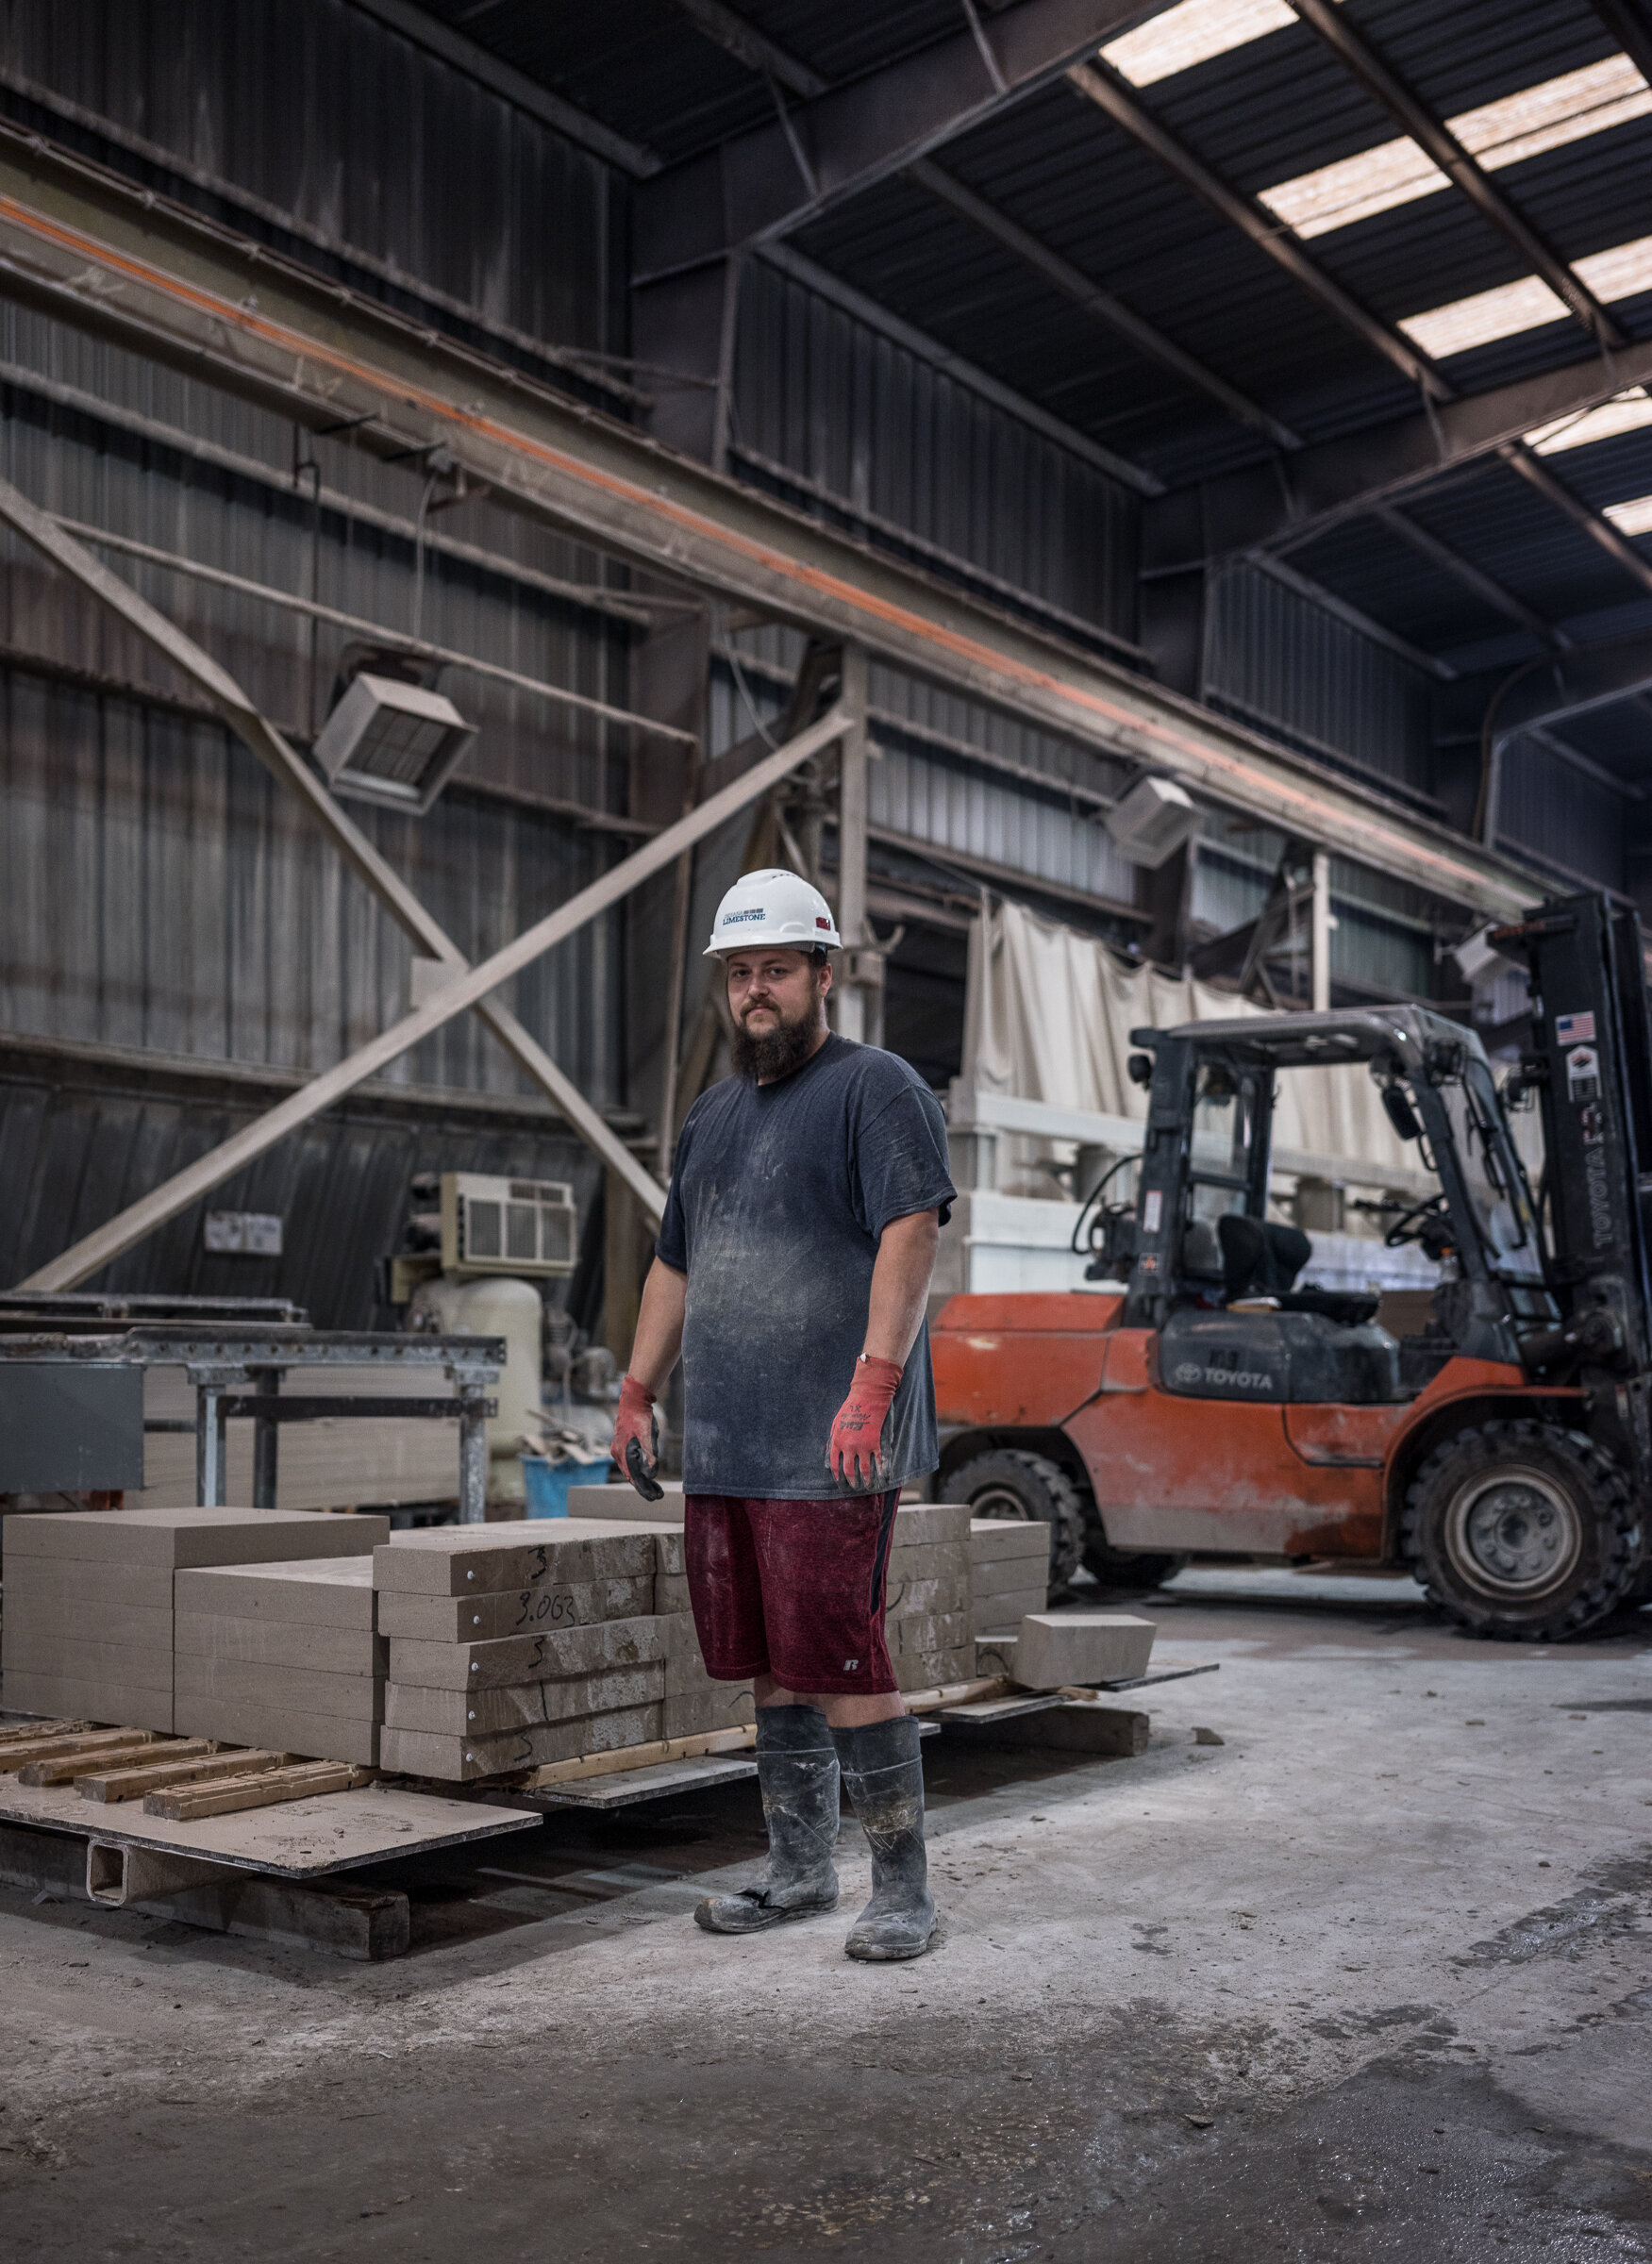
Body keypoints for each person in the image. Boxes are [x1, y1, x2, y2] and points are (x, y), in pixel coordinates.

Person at [611, 867, 956, 1962]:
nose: (756, 990)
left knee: (840, 1658)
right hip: (732, 1438)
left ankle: (901, 1891)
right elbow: (675, 1262)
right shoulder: (713, 1114)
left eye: (776, 970)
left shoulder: (876, 1088)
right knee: (767, 1665)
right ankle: (799, 1870)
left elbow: (912, 1233)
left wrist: (871, 1387)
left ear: (822, 975)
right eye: (739, 973)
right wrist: (634, 1388)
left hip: (831, 1440)